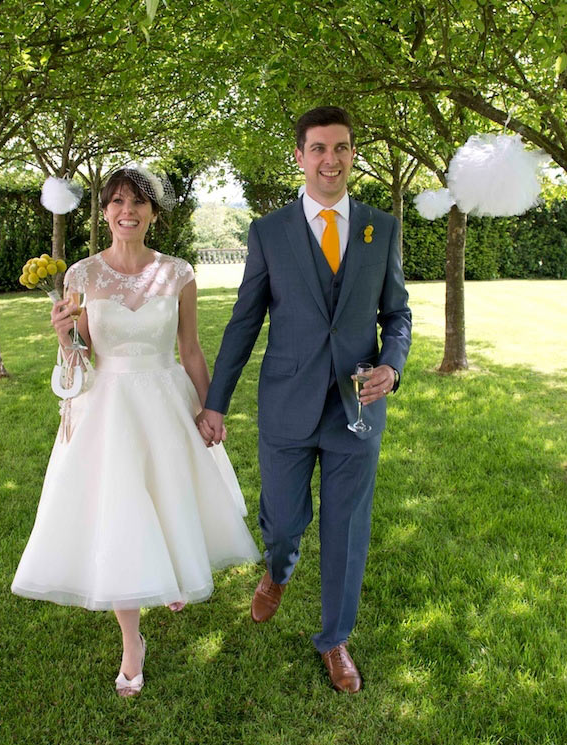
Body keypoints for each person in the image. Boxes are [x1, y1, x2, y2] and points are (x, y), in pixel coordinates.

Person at [11, 166, 259, 698]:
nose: (128, 211)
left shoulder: (178, 273)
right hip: (109, 410)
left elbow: (190, 348)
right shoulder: (80, 275)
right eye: (118, 202)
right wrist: (64, 335)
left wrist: (212, 409)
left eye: (138, 202)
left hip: (167, 403)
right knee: (120, 516)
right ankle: (131, 642)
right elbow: (81, 357)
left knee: (169, 501)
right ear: (105, 212)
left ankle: (168, 576)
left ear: (153, 213)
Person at [197, 106, 412, 693]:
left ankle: (335, 639)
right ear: (300, 156)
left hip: (355, 411)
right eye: (318, 148)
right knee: (285, 522)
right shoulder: (269, 232)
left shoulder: (381, 228)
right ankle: (277, 570)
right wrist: (216, 402)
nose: (330, 160)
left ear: (352, 155)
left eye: (341, 148)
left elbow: (397, 314)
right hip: (287, 404)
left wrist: (392, 365)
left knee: (347, 528)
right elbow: (244, 321)